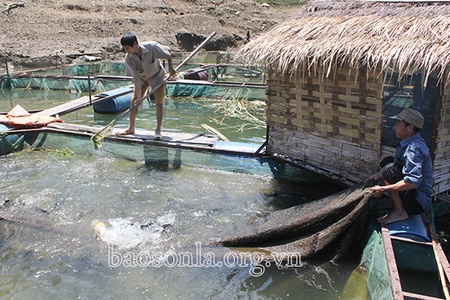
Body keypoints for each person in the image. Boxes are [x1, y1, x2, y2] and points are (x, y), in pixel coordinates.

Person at [368, 108, 434, 225]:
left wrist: (383, 189)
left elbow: (413, 182)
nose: (395, 127)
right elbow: (397, 164)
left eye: (398, 124)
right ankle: (396, 203)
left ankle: (400, 212)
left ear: (410, 128)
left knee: (389, 172)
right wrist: (378, 175)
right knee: (388, 162)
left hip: (418, 202)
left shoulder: (414, 148)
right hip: (412, 195)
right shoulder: (408, 141)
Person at [117, 33, 176, 139]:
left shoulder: (151, 47)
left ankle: (158, 130)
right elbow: (135, 78)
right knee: (134, 102)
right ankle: (131, 128)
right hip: (142, 78)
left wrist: (171, 69)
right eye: (124, 48)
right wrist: (139, 98)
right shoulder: (128, 58)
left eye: (127, 48)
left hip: (157, 76)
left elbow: (168, 54)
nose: (126, 51)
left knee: (159, 103)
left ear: (135, 44)